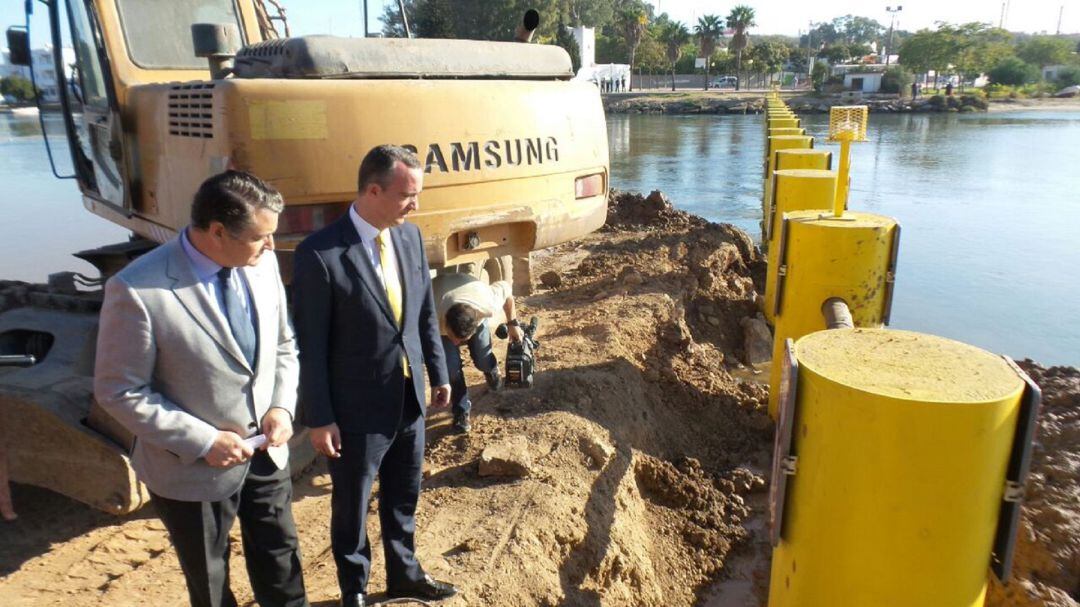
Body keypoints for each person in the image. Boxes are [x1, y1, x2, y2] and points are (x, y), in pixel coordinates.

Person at [93, 171, 308, 607]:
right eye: (260, 236)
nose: (271, 246)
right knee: (210, 583)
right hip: (190, 467)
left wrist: (282, 407)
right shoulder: (137, 290)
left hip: (266, 451)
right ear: (216, 231)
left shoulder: (261, 263)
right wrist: (205, 440)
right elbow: (118, 390)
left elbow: (284, 344)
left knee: (281, 563)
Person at [292, 145, 456, 607]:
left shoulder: (409, 237)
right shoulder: (320, 254)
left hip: (408, 398)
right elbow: (312, 346)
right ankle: (355, 589)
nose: (415, 204)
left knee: (404, 494)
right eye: (407, 194)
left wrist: (438, 371)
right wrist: (320, 417)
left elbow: (424, 311)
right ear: (372, 190)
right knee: (352, 506)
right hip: (355, 409)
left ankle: (404, 574)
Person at [432, 272, 522, 433]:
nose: (456, 344)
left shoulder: (486, 303)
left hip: (470, 290)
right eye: (454, 338)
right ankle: (461, 411)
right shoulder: (431, 312)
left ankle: (491, 369)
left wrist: (512, 323)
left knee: (482, 357)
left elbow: (506, 290)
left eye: (462, 340)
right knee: (451, 369)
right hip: (438, 292)